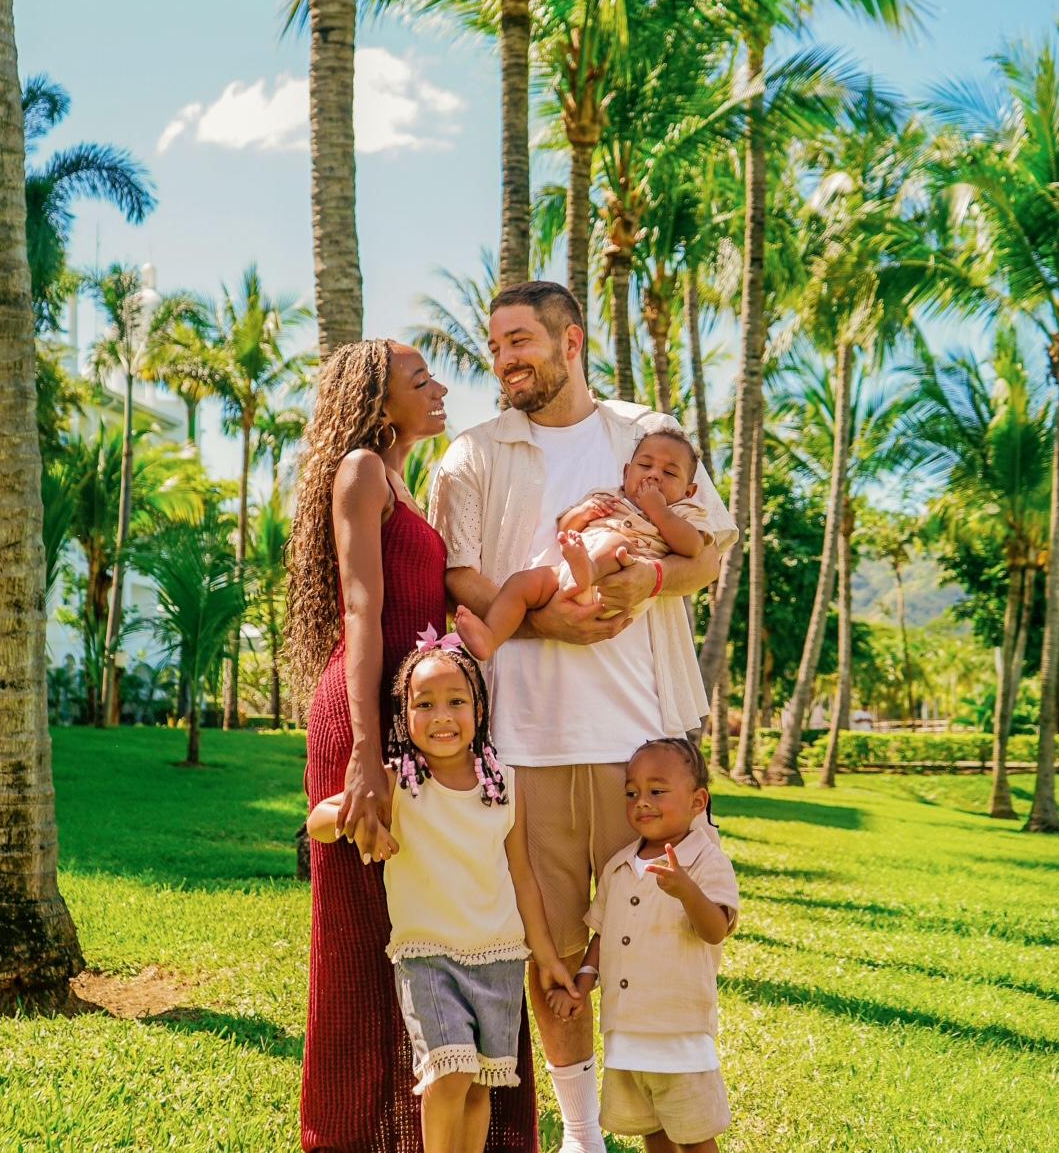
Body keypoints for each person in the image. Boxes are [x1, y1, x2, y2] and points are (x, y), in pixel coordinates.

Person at [430, 281, 738, 1152]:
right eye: (496, 346)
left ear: (571, 343)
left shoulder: (647, 438)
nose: (505, 359)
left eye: (521, 340)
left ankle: (667, 1131)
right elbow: (457, 576)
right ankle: (581, 1136)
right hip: (525, 741)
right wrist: (544, 621)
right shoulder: (472, 454)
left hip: (643, 747)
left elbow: (708, 556)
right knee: (553, 950)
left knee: (659, 945)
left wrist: (648, 580)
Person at [287, 339, 537, 1153]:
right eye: (419, 379)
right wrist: (365, 753)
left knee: (433, 924)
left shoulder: (403, 485)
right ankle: (353, 1137)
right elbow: (363, 611)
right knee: (363, 946)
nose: (439, 389)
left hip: (414, 723)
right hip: (367, 722)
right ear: (376, 399)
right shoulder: (361, 469)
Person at [309, 638, 579, 1152]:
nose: (442, 716)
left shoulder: (504, 785)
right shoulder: (400, 784)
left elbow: (522, 876)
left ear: (479, 708)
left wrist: (545, 957)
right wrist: (360, 817)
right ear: (404, 715)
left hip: (499, 957)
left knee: (478, 1087)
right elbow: (319, 821)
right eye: (425, 704)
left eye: (456, 701)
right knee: (448, 1075)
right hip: (428, 957)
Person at [546, 739, 739, 1153]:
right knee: (652, 1131)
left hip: (679, 1034)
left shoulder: (705, 861)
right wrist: (582, 981)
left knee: (695, 1136)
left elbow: (715, 930)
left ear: (698, 801)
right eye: (632, 793)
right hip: (626, 1033)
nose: (642, 802)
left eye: (657, 790)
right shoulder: (618, 866)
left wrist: (687, 891)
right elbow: (604, 934)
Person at [455, 428, 713, 661]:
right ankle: (491, 637)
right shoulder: (607, 496)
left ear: (688, 492)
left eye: (669, 473)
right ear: (626, 473)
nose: (654, 475)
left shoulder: (684, 511)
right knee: (520, 583)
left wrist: (658, 510)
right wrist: (583, 512)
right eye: (645, 465)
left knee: (616, 543)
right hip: (568, 575)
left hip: (618, 584)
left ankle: (589, 570)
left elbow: (692, 547)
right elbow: (565, 529)